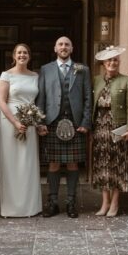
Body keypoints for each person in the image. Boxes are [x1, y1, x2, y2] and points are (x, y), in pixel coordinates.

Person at [36, 36, 92, 218]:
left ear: (72, 48)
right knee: (53, 164)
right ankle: (52, 202)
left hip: (75, 123)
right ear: (55, 48)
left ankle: (71, 202)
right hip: (52, 122)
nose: (64, 47)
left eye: (67, 44)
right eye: (60, 44)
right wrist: (40, 121)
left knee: (73, 163)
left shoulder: (83, 69)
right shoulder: (46, 69)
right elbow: (41, 98)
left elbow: (87, 99)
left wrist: (85, 122)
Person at [0, 43, 43, 218]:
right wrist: (15, 122)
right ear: (14, 56)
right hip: (10, 120)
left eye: (25, 52)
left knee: (28, 163)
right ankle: (10, 208)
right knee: (11, 163)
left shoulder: (35, 76)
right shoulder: (6, 75)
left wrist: (36, 121)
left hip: (30, 120)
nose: (22, 55)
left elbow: (38, 100)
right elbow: (1, 101)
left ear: (29, 56)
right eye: (19, 52)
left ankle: (30, 207)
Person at [91, 46, 128, 217]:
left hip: (119, 128)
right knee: (102, 165)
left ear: (119, 62)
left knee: (117, 165)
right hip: (100, 127)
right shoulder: (96, 80)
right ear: (103, 63)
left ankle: (115, 202)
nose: (112, 63)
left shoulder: (127, 80)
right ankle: (105, 202)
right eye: (109, 60)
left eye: (115, 59)